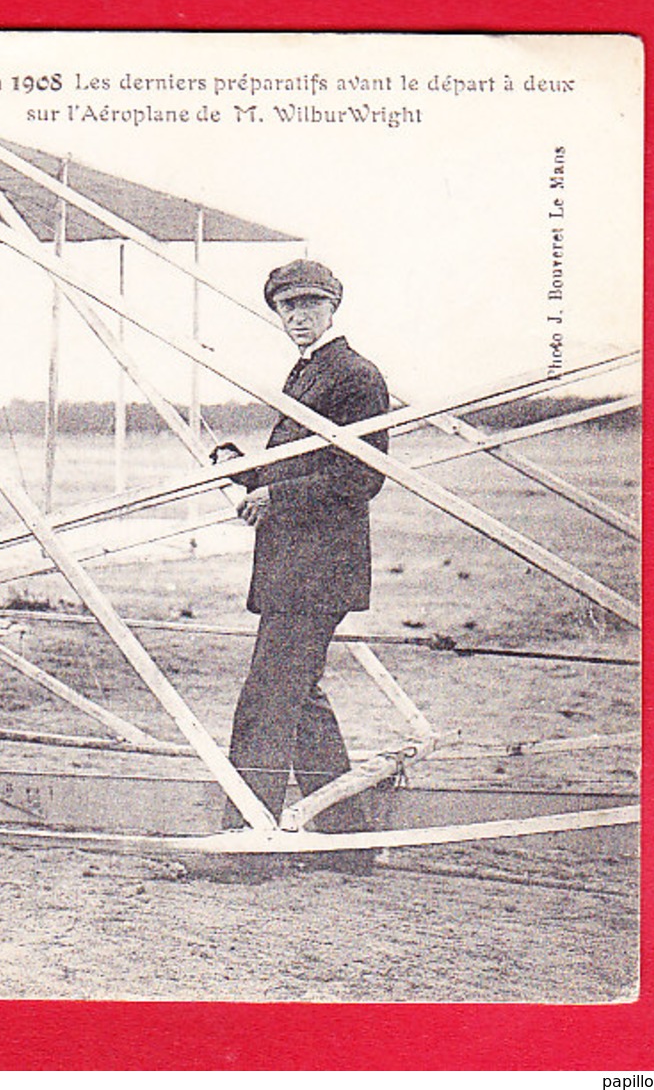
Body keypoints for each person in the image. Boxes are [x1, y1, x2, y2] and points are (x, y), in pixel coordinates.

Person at [214, 259, 390, 873]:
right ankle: (345, 844)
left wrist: (277, 494)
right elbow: (297, 466)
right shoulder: (309, 371)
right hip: (296, 566)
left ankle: (248, 842)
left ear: (333, 307)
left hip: (318, 569)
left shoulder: (354, 375)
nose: (299, 316)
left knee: (268, 698)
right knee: (301, 700)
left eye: (311, 305)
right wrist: (241, 468)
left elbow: (362, 474)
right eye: (288, 307)